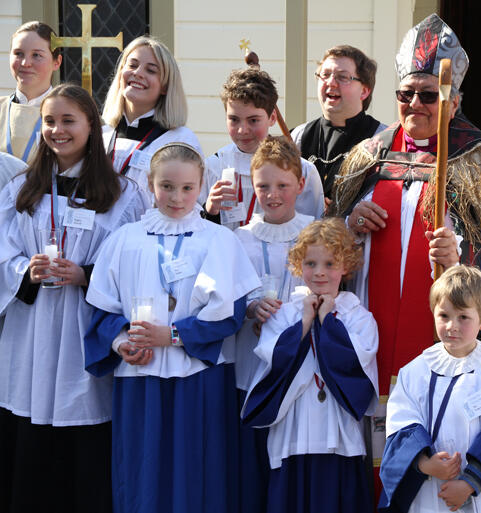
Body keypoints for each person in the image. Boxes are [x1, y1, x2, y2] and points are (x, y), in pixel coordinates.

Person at [330, 14, 481, 484]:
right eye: (405, 94)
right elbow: (329, 240)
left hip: (443, 329)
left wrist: (462, 260)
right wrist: (350, 225)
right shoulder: (368, 154)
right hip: (371, 326)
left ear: (453, 102)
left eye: (428, 95)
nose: (414, 103)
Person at [83, 143, 259, 513]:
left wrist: (174, 336)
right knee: (142, 470)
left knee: (199, 469)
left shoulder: (219, 240)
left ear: (201, 185)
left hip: (200, 377)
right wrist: (120, 344)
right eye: (166, 186)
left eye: (186, 188)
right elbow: (101, 310)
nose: (176, 197)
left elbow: (230, 313)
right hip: (140, 372)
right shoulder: (124, 240)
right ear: (150, 184)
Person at [0, 84, 145, 513]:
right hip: (30, 330)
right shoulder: (20, 189)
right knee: (28, 443)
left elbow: (132, 262)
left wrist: (86, 274)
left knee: (81, 431)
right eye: (49, 121)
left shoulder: (122, 194)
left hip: (83, 330)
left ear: (90, 127)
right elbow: (3, 250)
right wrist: (24, 271)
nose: (57, 130)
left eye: (68, 121)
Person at [378, 265, 481, 513]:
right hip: (428, 492)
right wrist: (425, 464)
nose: (452, 326)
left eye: (463, 317)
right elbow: (402, 426)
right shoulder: (413, 373)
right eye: (444, 316)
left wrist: (469, 482)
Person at [241, 218, 378, 513]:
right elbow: (272, 365)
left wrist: (328, 322)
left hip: (338, 436)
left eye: (330, 264)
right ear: (298, 265)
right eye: (311, 263)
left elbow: (356, 367)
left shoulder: (358, 316)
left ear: (346, 266)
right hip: (293, 432)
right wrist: (304, 324)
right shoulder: (283, 315)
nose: (319, 273)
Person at [232, 135, 315, 512]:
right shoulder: (239, 238)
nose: (273, 194)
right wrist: (250, 309)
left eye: (283, 185)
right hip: (251, 366)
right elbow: (228, 295)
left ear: (300, 185)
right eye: (263, 185)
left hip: (300, 368)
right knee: (251, 464)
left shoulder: (316, 233)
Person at [202, 67, 323, 228]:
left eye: (253, 120)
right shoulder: (213, 167)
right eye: (234, 119)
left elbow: (313, 230)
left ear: (272, 118)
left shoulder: (302, 170)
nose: (242, 130)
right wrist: (209, 212)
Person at [101, 35, 201, 206]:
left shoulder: (180, 140)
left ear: (165, 86)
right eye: (132, 65)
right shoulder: (102, 134)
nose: (138, 73)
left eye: (151, 70)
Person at [291, 45, 385, 200]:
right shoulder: (298, 137)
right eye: (325, 75)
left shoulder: (383, 139)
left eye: (343, 77)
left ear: (364, 91)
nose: (331, 83)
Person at [0, 22, 61, 162]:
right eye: (18, 54)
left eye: (36, 55)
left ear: (56, 62)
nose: (25, 63)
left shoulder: (73, 113)